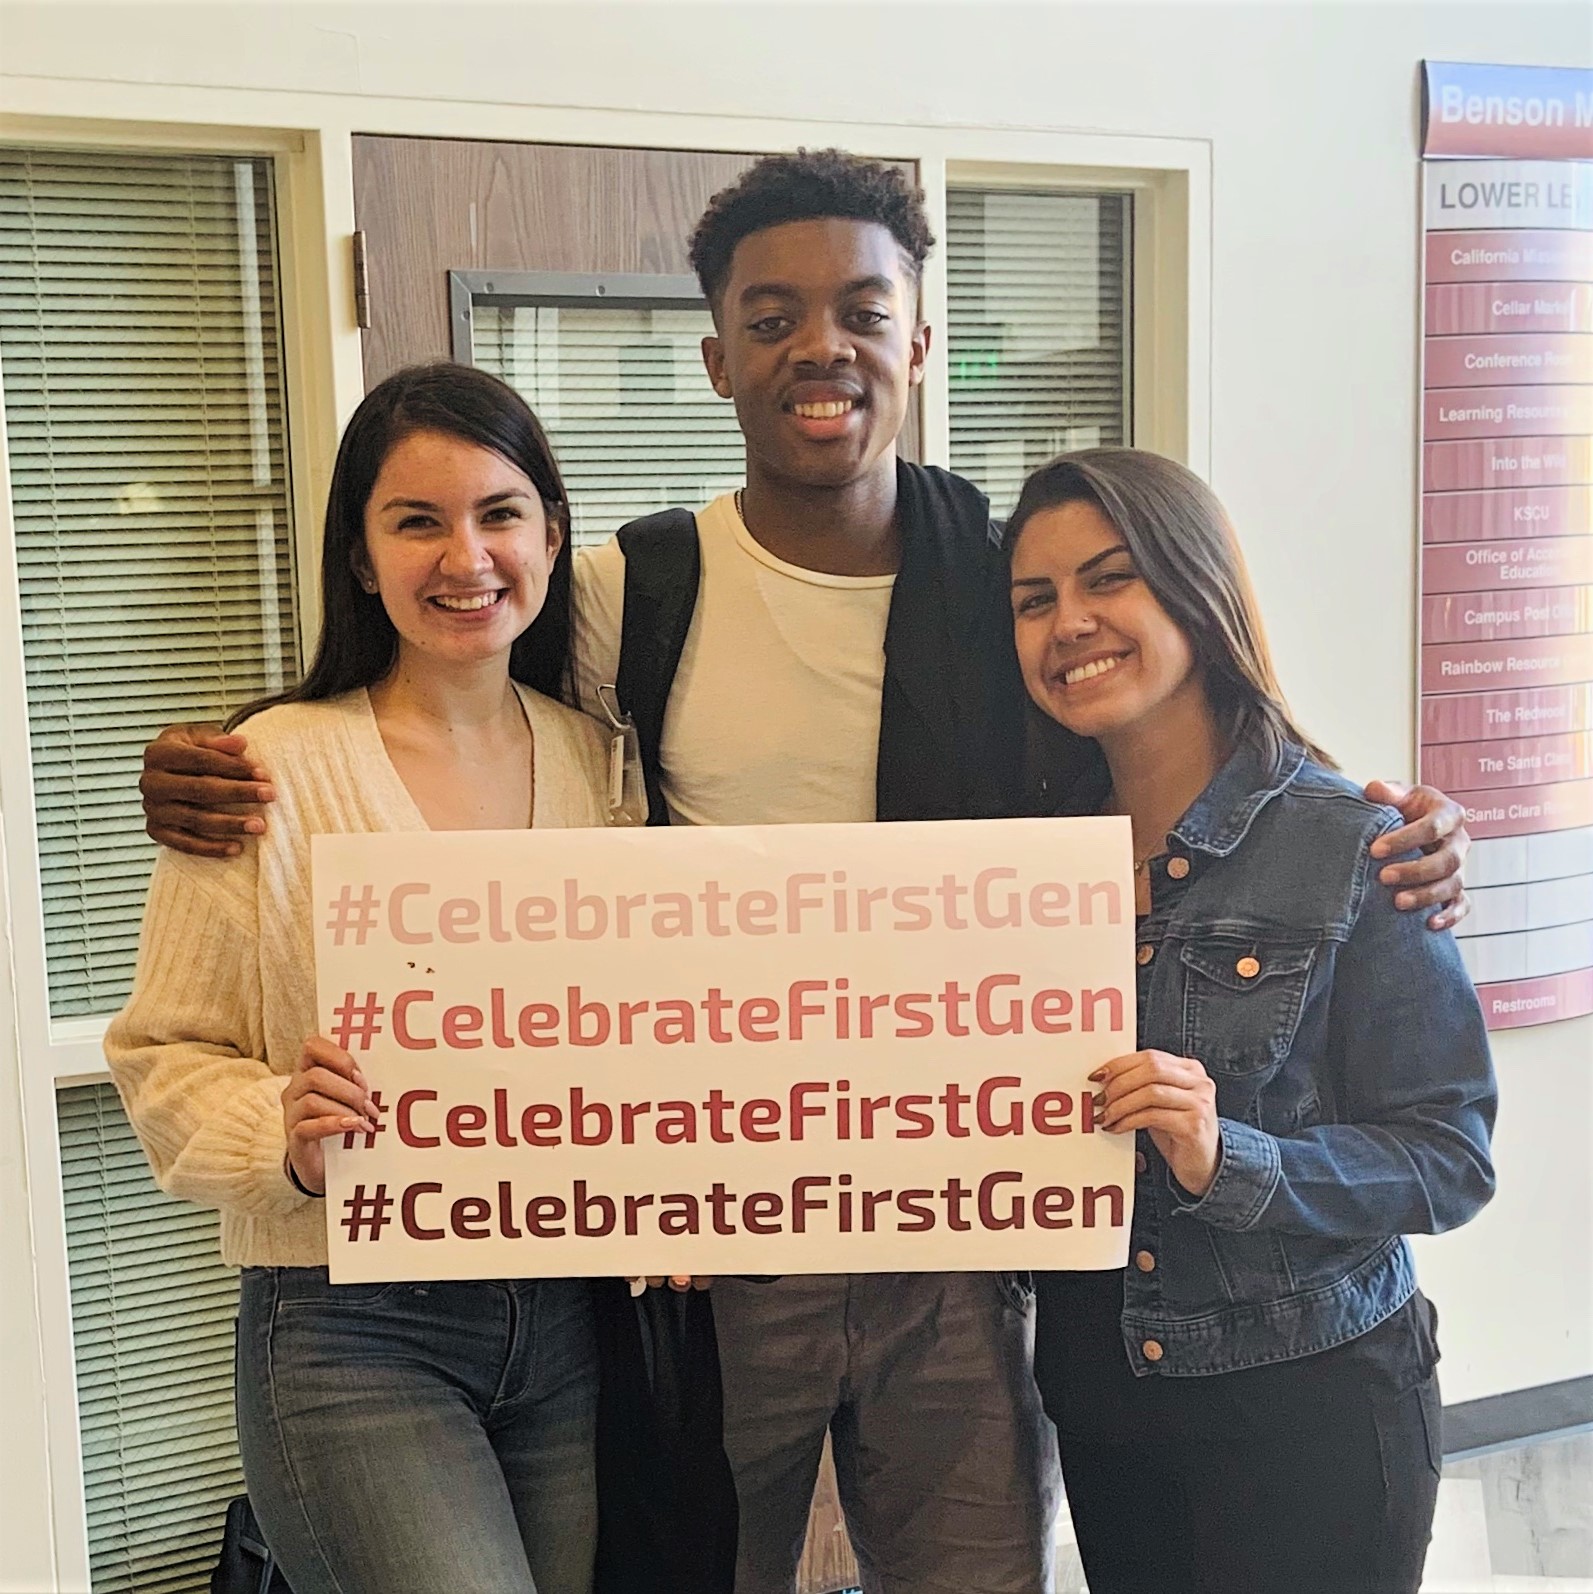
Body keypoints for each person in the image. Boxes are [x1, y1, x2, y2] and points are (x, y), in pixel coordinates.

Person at [137, 152, 1476, 1594]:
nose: (816, 345)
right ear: (715, 357)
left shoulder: (1000, 572)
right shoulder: (625, 594)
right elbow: (439, 688)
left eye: (858, 306)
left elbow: (1155, 727)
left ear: (917, 335)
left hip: (965, 1225)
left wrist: (1378, 818)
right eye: (770, 317)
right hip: (717, 1249)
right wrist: (196, 765)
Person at [106, 364, 612, 1594]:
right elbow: (162, 1053)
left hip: (568, 1319)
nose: (466, 556)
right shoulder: (266, 771)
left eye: (499, 513)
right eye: (417, 521)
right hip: (348, 1324)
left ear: (552, 533)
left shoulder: (603, 762)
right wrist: (279, 1128)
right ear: (360, 555)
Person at [1005, 446, 1497, 1594]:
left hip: (1310, 1406)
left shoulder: (1354, 846)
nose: (1069, 621)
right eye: (1035, 600)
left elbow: (1449, 1155)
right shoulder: (1018, 865)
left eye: (1108, 578)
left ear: (1195, 587)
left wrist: (1230, 1156)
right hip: (1103, 1401)